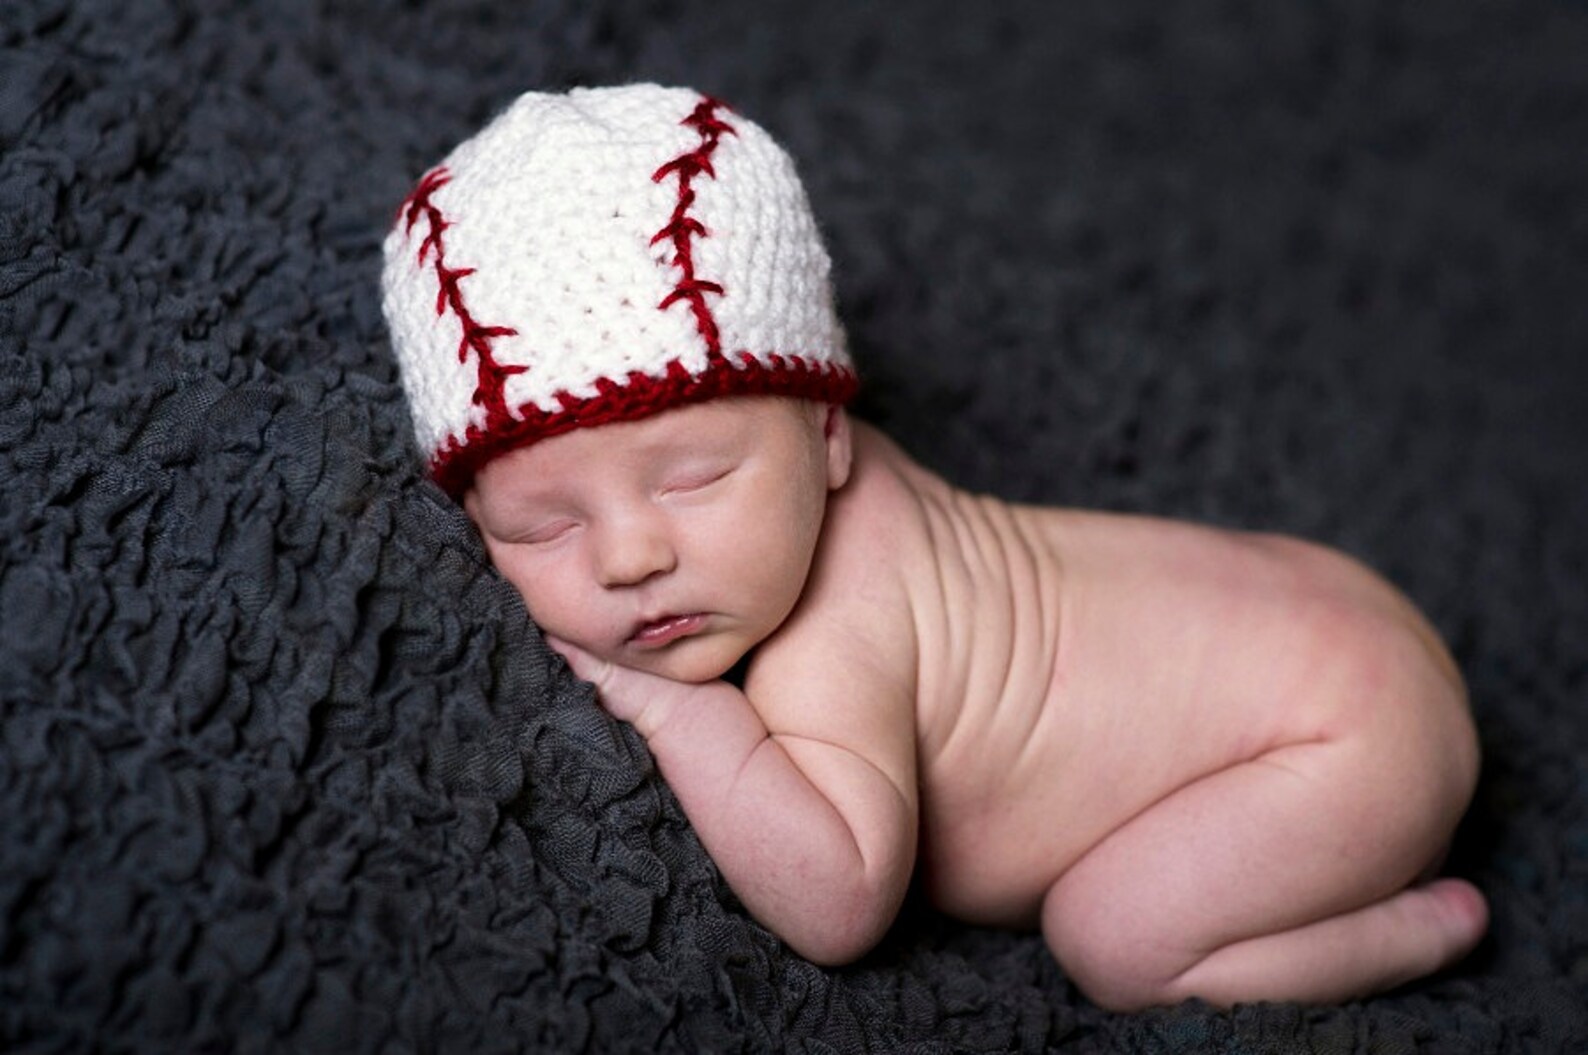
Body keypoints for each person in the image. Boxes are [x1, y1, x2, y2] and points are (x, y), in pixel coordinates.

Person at [380, 84, 1488, 1011]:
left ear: (827, 438)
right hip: (1325, 609)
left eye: (694, 477)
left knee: (1114, 938)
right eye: (541, 525)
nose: (627, 556)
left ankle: (1414, 924)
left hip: (1337, 743)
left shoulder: (840, 632)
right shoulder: (812, 486)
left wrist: (673, 706)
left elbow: (839, 903)